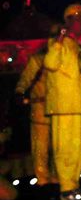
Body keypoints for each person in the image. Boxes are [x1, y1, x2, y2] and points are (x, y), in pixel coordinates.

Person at [44, 3, 81, 200]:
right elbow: (50, 63)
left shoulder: (77, 46)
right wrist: (59, 39)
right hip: (64, 107)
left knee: (77, 150)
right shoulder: (58, 43)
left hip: (79, 105)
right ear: (71, 20)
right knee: (65, 149)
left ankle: (73, 188)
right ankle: (66, 190)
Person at [14, 29, 58, 185]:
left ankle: (57, 179)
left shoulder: (64, 61)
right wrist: (20, 92)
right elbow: (25, 79)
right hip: (40, 110)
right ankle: (42, 180)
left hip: (58, 111)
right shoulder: (38, 61)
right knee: (40, 148)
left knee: (58, 148)